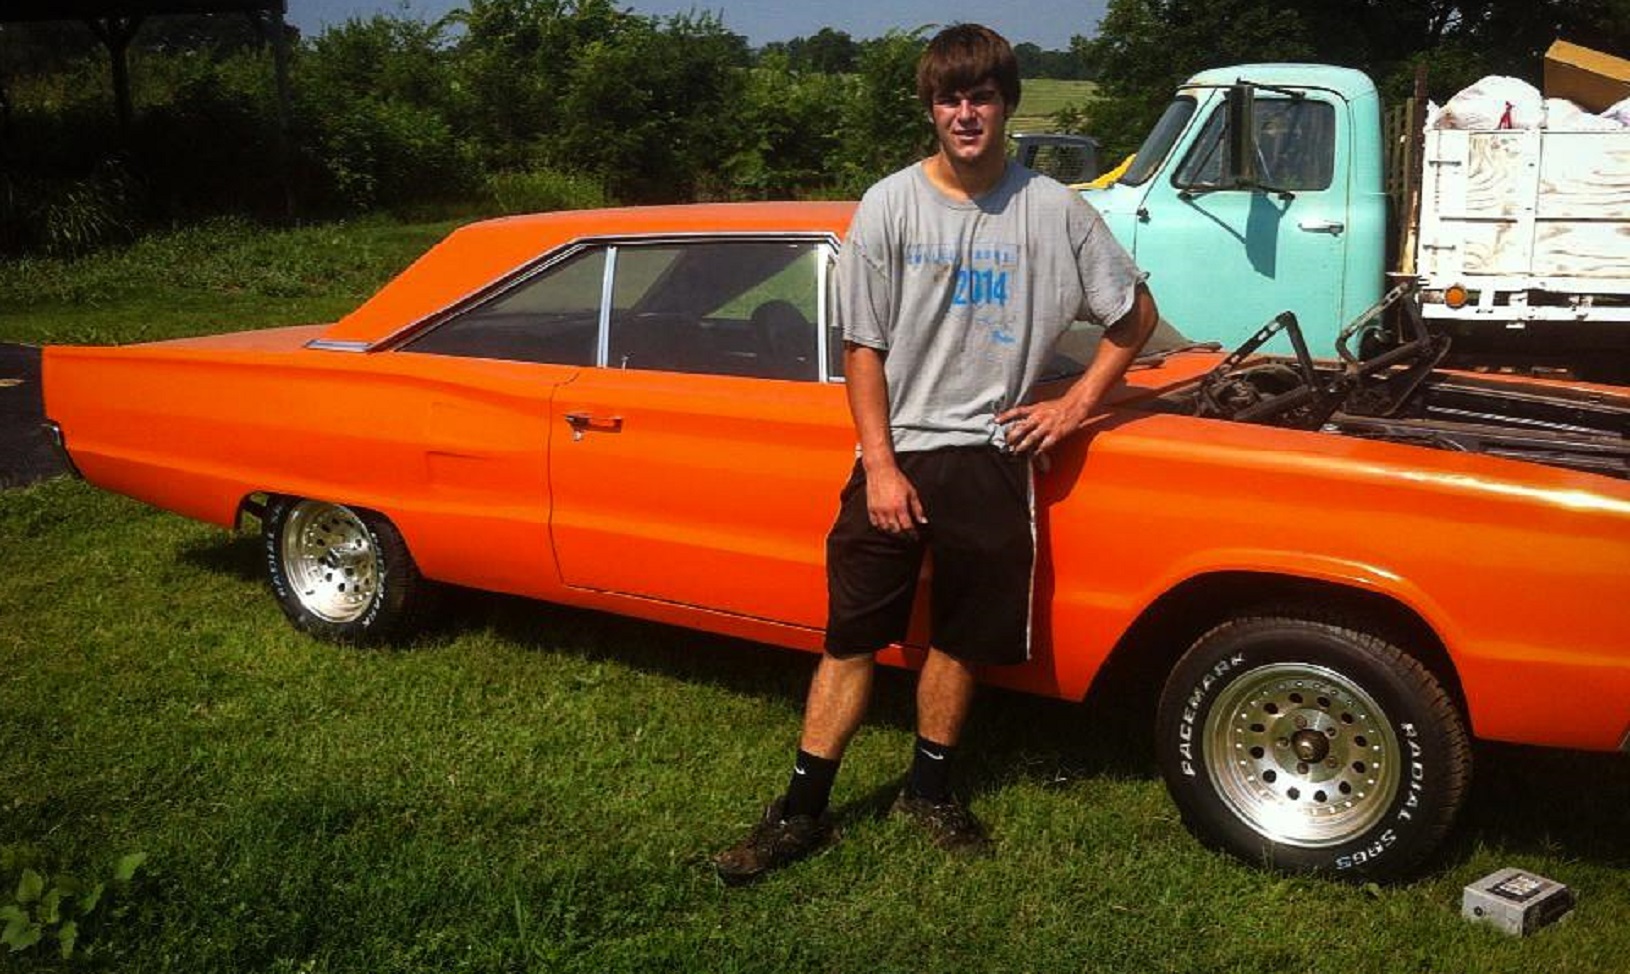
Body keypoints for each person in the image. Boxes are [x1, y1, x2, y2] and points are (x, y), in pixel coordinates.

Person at [713, 23, 1159, 885]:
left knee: (959, 638)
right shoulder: (889, 204)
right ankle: (800, 811)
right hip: (901, 453)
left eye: (981, 96)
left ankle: (932, 790)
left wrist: (1072, 406)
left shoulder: (1056, 210)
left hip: (993, 456)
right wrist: (879, 466)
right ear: (930, 109)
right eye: (950, 98)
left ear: (1006, 106)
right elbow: (862, 347)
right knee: (850, 639)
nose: (966, 113)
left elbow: (1132, 319)